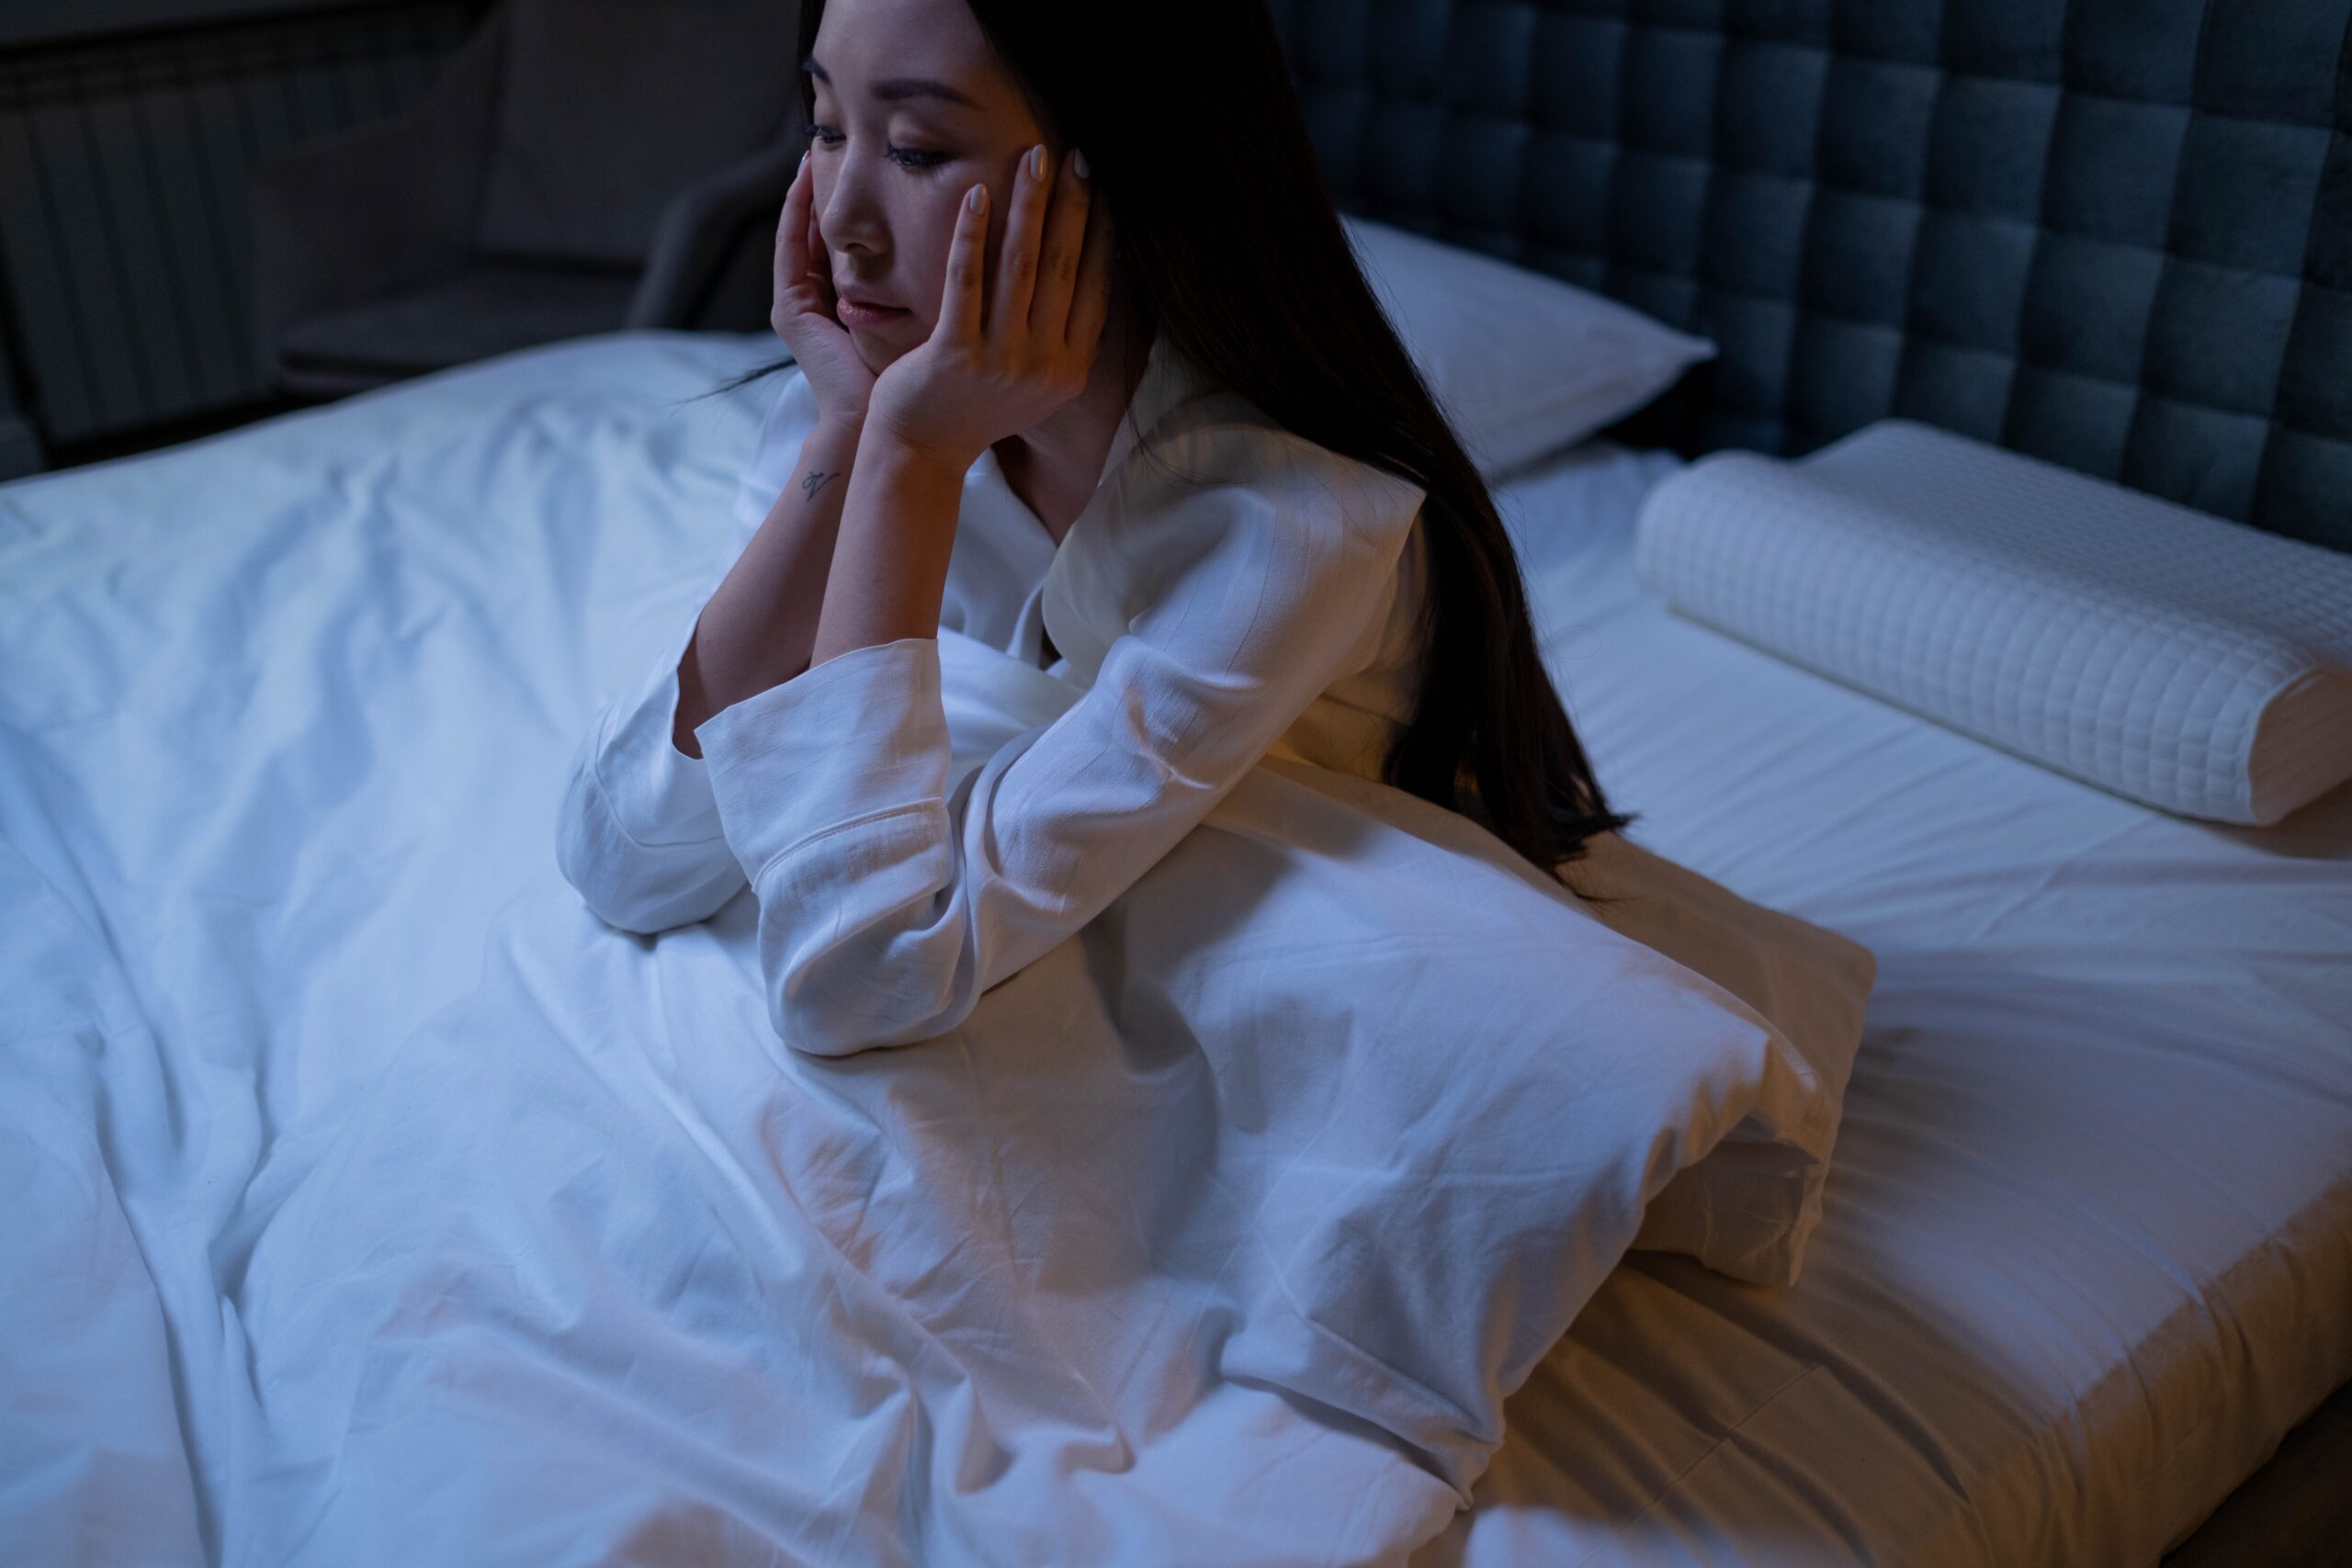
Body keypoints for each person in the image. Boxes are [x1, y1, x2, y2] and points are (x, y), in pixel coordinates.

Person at [555, 0, 1633, 1056]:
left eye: (918, 149)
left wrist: (909, 464)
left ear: (1112, 177)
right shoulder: (875, 399)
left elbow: (850, 981)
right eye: (828, 128)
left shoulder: (1285, 527)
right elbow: (623, 860)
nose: (841, 220)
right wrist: (853, 434)